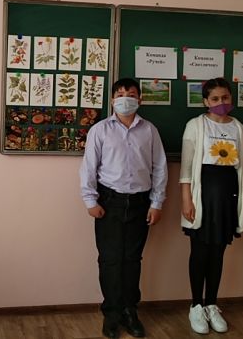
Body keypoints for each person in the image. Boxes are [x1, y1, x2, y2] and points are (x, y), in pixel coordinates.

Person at [80, 78, 168, 338]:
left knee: (132, 260)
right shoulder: (100, 130)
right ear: (112, 100)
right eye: (120, 94)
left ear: (140, 99)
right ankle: (111, 313)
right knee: (109, 260)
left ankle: (130, 311)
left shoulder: (150, 130)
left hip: (141, 203)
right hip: (109, 203)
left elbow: (160, 168)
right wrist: (90, 201)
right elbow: (89, 167)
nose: (125, 98)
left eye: (130, 94)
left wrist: (157, 203)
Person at [180, 77, 243, 334]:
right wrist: (187, 200)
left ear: (231, 98)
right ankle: (196, 305)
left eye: (225, 97)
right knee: (200, 252)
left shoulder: (239, 129)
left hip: (228, 197)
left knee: (218, 254)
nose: (221, 102)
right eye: (215, 99)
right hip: (202, 197)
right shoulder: (195, 125)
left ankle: (211, 303)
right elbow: (186, 168)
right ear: (206, 102)